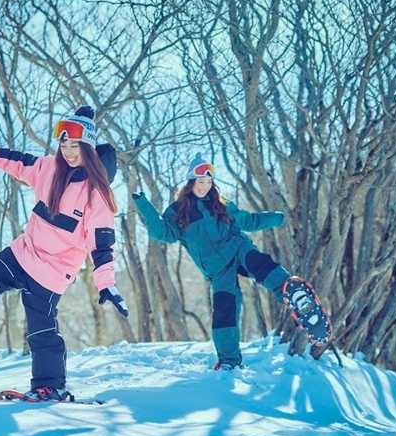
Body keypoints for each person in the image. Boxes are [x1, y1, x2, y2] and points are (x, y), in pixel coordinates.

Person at [0, 106, 128, 401]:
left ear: (88, 147)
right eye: (64, 145)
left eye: (74, 146)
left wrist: (106, 283)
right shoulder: (49, 169)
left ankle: (49, 385)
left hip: (52, 273)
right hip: (23, 253)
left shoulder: (97, 194)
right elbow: (15, 161)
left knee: (41, 330)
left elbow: (102, 244)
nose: (68, 152)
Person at [131, 154, 330, 370]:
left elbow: (247, 221)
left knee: (258, 263)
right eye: (200, 182)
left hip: (237, 248)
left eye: (208, 182)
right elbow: (162, 232)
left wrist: (277, 218)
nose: (205, 186)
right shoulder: (178, 211)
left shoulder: (221, 203)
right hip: (218, 270)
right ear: (191, 182)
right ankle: (229, 361)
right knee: (225, 312)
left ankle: (291, 291)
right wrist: (142, 202)